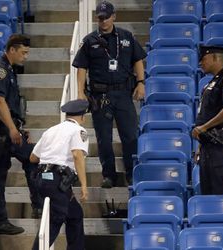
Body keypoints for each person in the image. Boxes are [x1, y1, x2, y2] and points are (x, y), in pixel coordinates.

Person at [72, 0, 147, 188]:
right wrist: (80, 91)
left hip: (123, 93)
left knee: (130, 136)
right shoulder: (90, 41)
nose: (103, 21)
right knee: (103, 138)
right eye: (100, 18)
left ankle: (131, 173)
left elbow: (138, 60)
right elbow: (81, 68)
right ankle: (109, 175)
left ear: (114, 16)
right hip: (100, 96)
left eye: (106, 17)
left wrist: (141, 83)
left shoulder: (126, 37)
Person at [0, 34, 39, 235]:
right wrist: (13, 129)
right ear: (12, 50)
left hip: (6, 127)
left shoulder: (8, 70)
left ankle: (4, 219)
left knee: (24, 162)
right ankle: (2, 220)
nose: (26, 57)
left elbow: (9, 104)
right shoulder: (0, 70)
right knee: (1, 173)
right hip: (1, 129)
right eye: (23, 52)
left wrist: (19, 126)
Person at [30, 99, 89, 250]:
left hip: (43, 179)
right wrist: (84, 185)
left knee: (75, 214)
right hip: (57, 180)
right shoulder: (78, 131)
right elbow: (77, 155)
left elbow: (33, 158)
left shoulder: (51, 130)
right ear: (83, 116)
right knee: (55, 220)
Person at [191, 45, 223, 195]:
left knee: (222, 186)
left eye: (204, 59)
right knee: (208, 188)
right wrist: (201, 142)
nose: (200, 63)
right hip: (208, 141)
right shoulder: (210, 83)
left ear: (215, 58)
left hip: (220, 139)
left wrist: (204, 128)